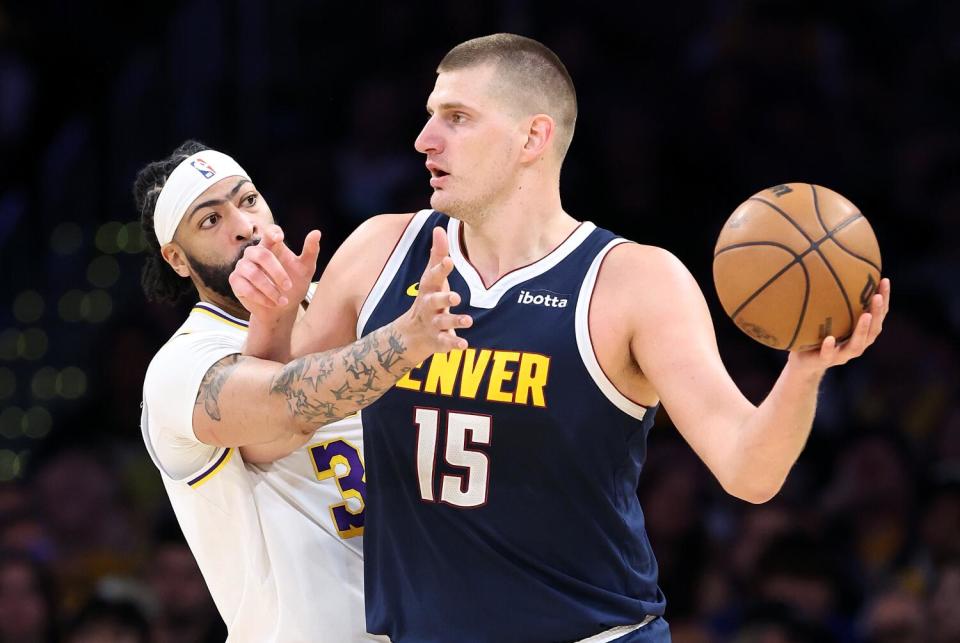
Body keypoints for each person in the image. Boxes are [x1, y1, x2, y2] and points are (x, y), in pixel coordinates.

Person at [234, 34, 890, 642]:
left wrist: (803, 372)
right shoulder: (379, 250)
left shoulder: (632, 281)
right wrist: (270, 322)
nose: (424, 139)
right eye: (431, 114)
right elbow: (265, 439)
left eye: (457, 118)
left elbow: (749, 471)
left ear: (533, 137)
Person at [136, 141, 471, 641]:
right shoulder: (180, 365)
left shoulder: (340, 302)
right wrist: (406, 339)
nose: (243, 226)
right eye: (210, 220)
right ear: (177, 260)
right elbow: (288, 403)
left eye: (246, 200)